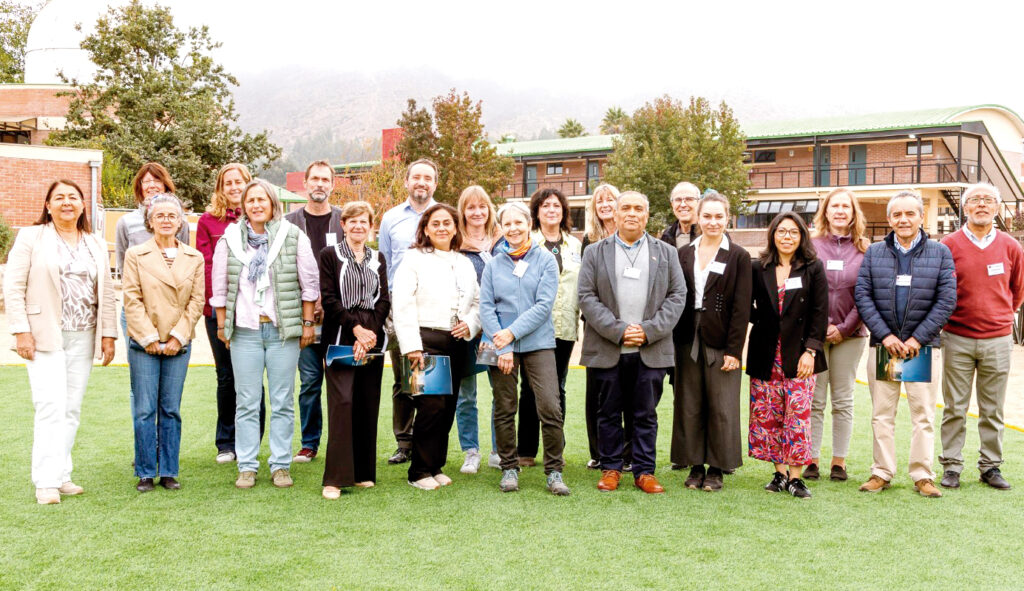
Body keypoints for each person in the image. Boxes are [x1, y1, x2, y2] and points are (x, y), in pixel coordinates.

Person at [4, 180, 116, 505]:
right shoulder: (32, 237)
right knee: (50, 406)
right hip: (44, 335)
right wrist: (21, 330)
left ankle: (61, 474)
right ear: (48, 205)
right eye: (59, 198)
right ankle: (46, 482)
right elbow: (13, 286)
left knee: (71, 408)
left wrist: (108, 334)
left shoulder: (95, 242)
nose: (67, 202)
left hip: (84, 334)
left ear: (83, 205)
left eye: (73, 197)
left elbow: (107, 293)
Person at [211, 178, 319, 489]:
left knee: (282, 400)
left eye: (262, 199)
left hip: (281, 332)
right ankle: (247, 465)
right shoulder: (230, 239)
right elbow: (220, 287)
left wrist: (308, 324)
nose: (256, 205)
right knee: (247, 401)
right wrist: (222, 326)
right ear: (243, 206)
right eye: (251, 200)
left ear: (273, 204)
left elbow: (309, 284)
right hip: (244, 331)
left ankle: (280, 465)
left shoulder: (292, 236)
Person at [578, 191, 686, 494]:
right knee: (608, 413)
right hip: (608, 347)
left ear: (646, 215)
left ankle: (644, 471)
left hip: (651, 348)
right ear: (615, 214)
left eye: (638, 208)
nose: (631, 213)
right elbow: (586, 296)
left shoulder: (667, 253)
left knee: (645, 414)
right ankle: (611, 468)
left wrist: (649, 330)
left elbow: (678, 296)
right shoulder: (595, 252)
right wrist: (619, 331)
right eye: (625, 207)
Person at [855, 190, 956, 498]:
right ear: (889, 219)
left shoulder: (940, 252)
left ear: (921, 216)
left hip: (920, 348)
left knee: (922, 415)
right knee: (882, 414)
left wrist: (916, 339)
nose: (904, 219)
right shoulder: (875, 252)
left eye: (910, 213)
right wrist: (886, 336)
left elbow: (946, 300)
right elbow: (863, 296)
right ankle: (881, 472)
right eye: (897, 214)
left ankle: (923, 475)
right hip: (885, 347)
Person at [939, 183, 1024, 490]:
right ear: (965, 207)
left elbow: (1018, 291)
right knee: (954, 408)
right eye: (975, 199)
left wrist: (999, 316)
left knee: (992, 408)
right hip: (957, 337)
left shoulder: (1011, 246)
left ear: (997, 207)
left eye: (988, 200)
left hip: (997, 339)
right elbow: (940, 288)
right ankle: (951, 465)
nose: (982, 204)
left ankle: (990, 466)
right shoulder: (948, 245)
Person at [480, 202, 569, 495]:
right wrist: (502, 343)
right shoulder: (493, 264)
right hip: (500, 345)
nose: (513, 228)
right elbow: (486, 307)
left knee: (550, 406)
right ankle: (509, 467)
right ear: (501, 228)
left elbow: (543, 306)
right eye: (507, 224)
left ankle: (554, 471)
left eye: (518, 222)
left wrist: (511, 333)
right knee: (504, 407)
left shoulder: (545, 260)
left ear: (529, 224)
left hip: (537, 343)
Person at [392, 203, 480, 490]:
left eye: (447, 223)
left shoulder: (464, 262)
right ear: (426, 230)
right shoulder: (413, 258)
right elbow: (402, 303)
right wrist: (411, 347)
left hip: (456, 341)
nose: (442, 228)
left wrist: (470, 323)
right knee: (430, 406)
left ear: (455, 228)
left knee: (447, 408)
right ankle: (418, 472)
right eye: (435, 224)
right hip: (423, 340)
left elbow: (477, 302)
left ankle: (434, 465)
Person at [122, 194, 205, 492]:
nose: (166, 220)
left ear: (181, 221)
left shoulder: (194, 257)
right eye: (160, 215)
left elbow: (196, 301)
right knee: (145, 409)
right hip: (144, 344)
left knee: (170, 409)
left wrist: (178, 337)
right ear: (150, 221)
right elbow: (131, 299)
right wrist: (148, 338)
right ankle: (145, 471)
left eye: (172, 215)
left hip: (177, 345)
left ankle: (169, 471)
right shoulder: (135, 255)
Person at [671, 191, 751, 492]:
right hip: (686, 338)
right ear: (698, 218)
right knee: (689, 403)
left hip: (722, 339)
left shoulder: (739, 256)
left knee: (721, 405)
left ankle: (717, 468)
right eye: (707, 216)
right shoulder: (684, 253)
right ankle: (695, 464)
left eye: (719, 216)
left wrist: (734, 350)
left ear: (727, 218)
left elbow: (741, 307)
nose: (713, 221)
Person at [747, 212, 829, 499]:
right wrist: (764, 321)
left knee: (797, 416)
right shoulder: (758, 267)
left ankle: (796, 478)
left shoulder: (813, 268)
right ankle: (779, 474)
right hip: (766, 353)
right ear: (773, 235)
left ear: (802, 236)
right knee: (769, 416)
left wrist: (811, 350)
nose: (787, 237)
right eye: (781, 231)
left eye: (793, 232)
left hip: (800, 354)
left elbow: (820, 311)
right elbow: (745, 305)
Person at [319, 201, 390, 499]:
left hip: (372, 337)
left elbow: (383, 299)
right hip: (340, 334)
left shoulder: (378, 257)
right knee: (342, 403)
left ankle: (362, 472)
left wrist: (368, 333)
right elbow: (329, 299)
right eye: (353, 221)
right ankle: (335, 478)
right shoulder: (330, 255)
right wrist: (356, 330)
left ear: (371, 226)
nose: (359, 226)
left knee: (366, 403)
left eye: (364, 221)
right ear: (343, 225)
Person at [196, 162, 265, 464]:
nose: (235, 187)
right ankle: (226, 442)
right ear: (220, 188)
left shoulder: (261, 219)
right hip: (219, 310)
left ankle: (253, 440)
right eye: (228, 183)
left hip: (254, 310)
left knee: (252, 376)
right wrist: (217, 305)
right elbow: (207, 265)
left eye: (240, 181)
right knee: (226, 377)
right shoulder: (208, 222)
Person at [804, 188, 870, 482]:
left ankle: (839, 462)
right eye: (835, 206)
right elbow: (805, 289)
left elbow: (866, 294)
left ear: (854, 213)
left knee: (843, 400)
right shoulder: (810, 246)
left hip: (851, 335)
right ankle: (811, 459)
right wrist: (819, 328)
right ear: (826, 212)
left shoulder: (866, 249)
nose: (840, 211)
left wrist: (844, 328)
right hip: (814, 335)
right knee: (815, 400)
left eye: (846, 206)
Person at [378, 158, 440, 465]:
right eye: (416, 177)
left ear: (435, 184)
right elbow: (384, 264)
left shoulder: (443, 216)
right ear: (406, 181)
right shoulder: (391, 218)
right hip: (400, 308)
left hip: (434, 308)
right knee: (404, 378)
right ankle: (404, 442)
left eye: (428, 178)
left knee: (430, 377)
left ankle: (428, 442)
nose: (421, 182)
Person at [515, 188, 582, 468]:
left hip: (564, 326)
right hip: (534, 326)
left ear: (564, 211)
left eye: (556, 205)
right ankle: (526, 450)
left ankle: (555, 450)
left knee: (558, 387)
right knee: (531, 388)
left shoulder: (575, 245)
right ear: (537, 212)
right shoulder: (527, 243)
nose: (551, 210)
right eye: (545, 206)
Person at [285, 160, 346, 464]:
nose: (320, 184)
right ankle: (309, 443)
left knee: (340, 384)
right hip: (303, 316)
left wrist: (327, 299)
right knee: (309, 381)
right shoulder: (289, 222)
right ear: (305, 183)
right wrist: (308, 302)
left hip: (339, 317)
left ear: (332, 185)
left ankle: (341, 441)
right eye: (315, 179)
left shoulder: (344, 220)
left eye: (325, 180)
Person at [580, 182, 631, 470]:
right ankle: (600, 451)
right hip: (597, 326)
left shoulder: (634, 238)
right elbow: (587, 288)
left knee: (629, 389)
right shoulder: (589, 242)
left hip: (631, 325)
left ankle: (628, 453)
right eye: (599, 201)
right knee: (597, 392)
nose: (605, 205)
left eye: (610, 199)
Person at [454, 185, 501, 473]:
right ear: (463, 211)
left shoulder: (502, 241)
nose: (477, 212)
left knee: (501, 391)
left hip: (497, 329)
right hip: (466, 328)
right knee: (466, 394)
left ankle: (498, 449)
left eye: (482, 206)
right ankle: (471, 451)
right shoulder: (454, 243)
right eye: (471, 207)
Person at [660, 182, 700, 248]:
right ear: (672, 204)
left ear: (699, 203)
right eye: (678, 200)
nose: (683, 205)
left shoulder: (707, 234)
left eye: (689, 199)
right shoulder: (666, 236)